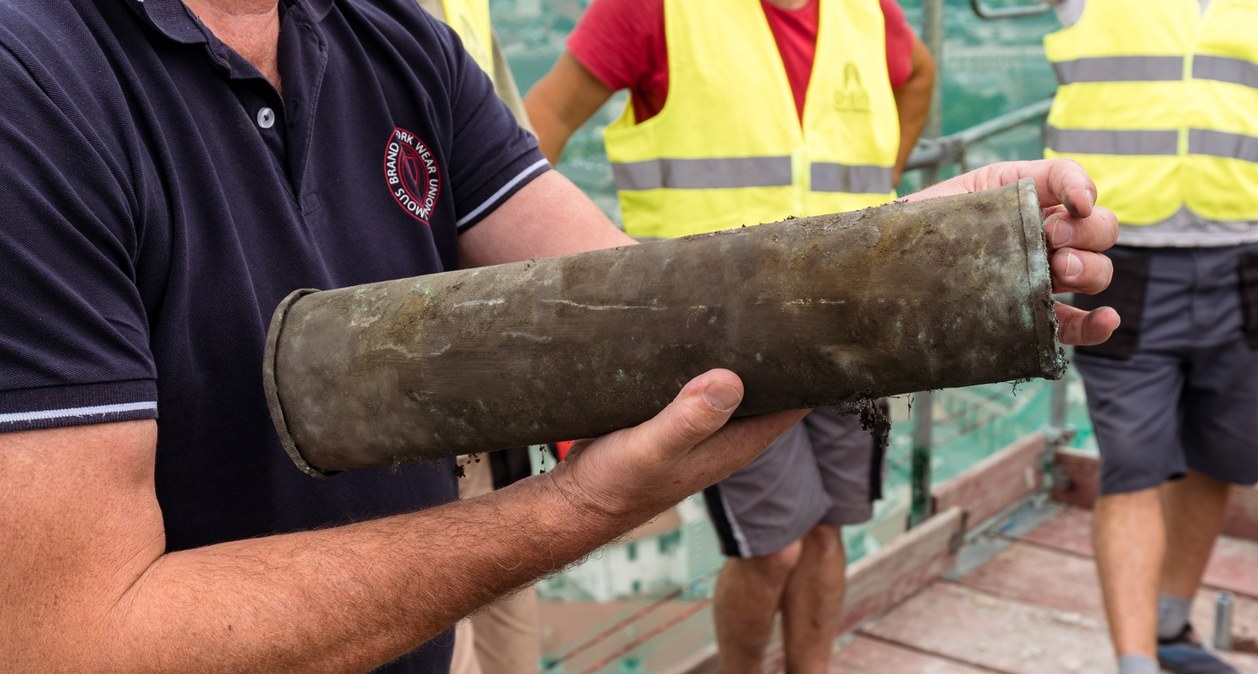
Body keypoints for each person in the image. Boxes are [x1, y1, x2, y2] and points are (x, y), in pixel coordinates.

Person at [0, 1, 1118, 672]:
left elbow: (639, 314)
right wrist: (572, 507)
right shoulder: (31, 78)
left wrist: (921, 260)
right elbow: (75, 640)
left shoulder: (396, 41)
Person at [522, 1, 933, 671]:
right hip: (716, 338)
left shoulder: (867, 11)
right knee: (772, 550)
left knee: (828, 533)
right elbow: (547, 117)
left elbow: (918, 72)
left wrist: (882, 184)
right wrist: (542, 270)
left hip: (851, 316)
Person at [1044, 2, 1258, 674]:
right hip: (1126, 256)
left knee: (1223, 451)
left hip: (1256, 255)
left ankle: (1171, 626)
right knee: (1133, 462)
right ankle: (1136, 662)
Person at [411, 1, 544, 672]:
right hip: (411, 375)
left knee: (503, 601)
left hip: (484, 361)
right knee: (437, 615)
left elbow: (517, 162)